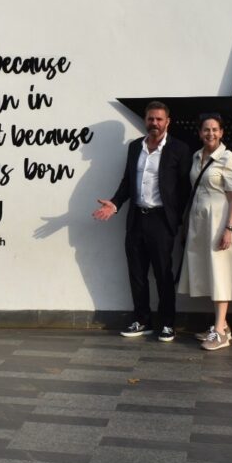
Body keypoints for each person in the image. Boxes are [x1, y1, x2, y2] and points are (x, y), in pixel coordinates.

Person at [92, 101, 191, 341]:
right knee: (136, 273)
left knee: (163, 274)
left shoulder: (179, 149)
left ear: (168, 122)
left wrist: (174, 219)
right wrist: (115, 204)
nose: (154, 123)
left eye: (159, 119)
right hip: (136, 219)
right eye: (150, 119)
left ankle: (167, 323)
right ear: (145, 121)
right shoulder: (135, 147)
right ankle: (141, 320)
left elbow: (184, 189)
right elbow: (127, 182)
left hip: (161, 221)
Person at [177, 113, 232, 350]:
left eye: (215, 129)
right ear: (200, 133)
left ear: (222, 132)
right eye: (206, 129)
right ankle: (223, 325)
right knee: (209, 272)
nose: (211, 133)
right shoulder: (197, 156)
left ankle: (219, 333)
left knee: (220, 273)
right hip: (201, 223)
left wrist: (229, 229)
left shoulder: (229, 158)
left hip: (220, 222)